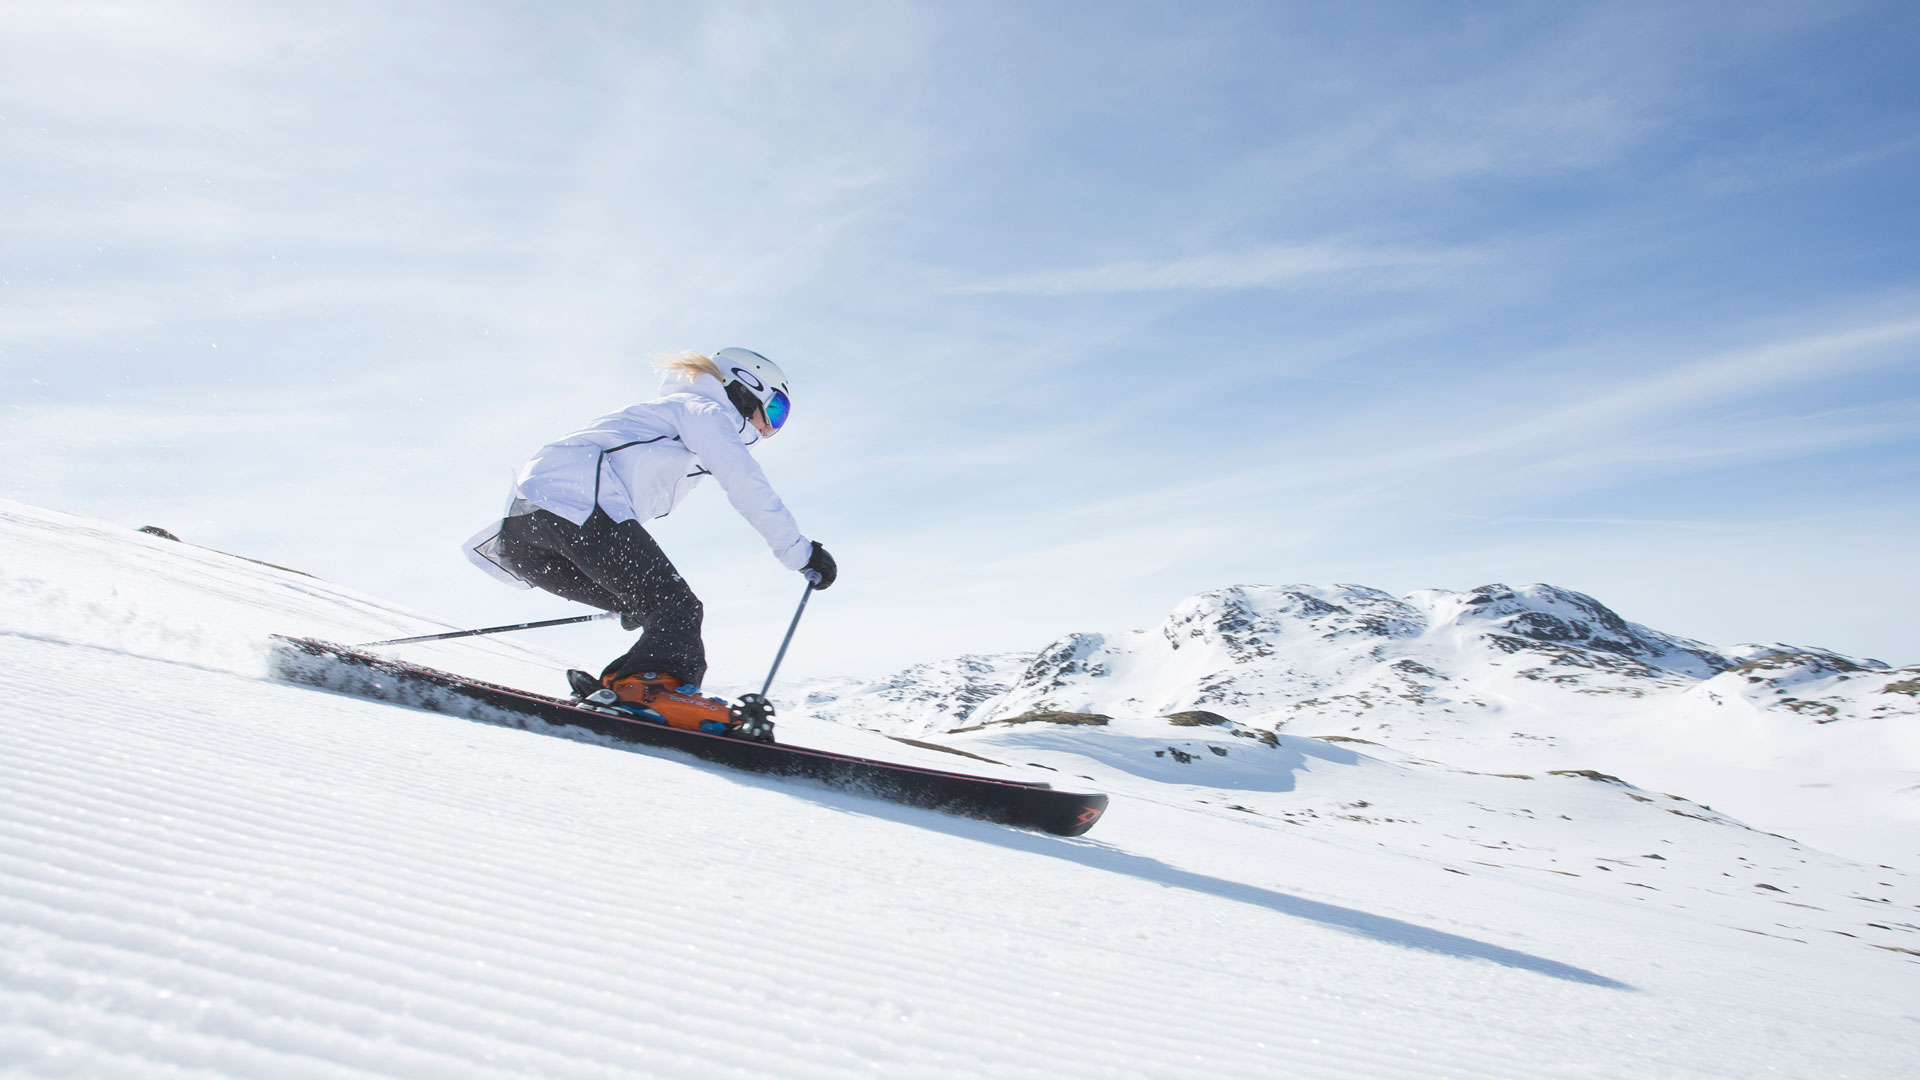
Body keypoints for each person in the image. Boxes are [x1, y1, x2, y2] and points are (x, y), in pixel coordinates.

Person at [463, 347, 835, 734]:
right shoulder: (704, 411)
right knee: (677, 606)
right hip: (572, 501)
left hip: (530, 533)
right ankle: (649, 691)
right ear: (745, 388)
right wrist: (801, 554)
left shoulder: (672, 419)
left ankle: (625, 689)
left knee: (653, 607)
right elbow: (746, 484)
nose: (770, 428)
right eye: (774, 411)